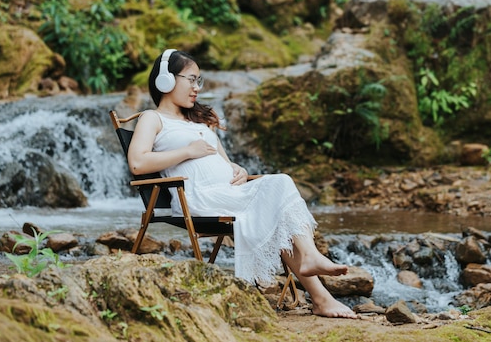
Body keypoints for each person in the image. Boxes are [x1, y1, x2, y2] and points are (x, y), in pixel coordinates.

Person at [127, 49, 357, 319]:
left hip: (228, 192)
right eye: (191, 79)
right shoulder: (152, 118)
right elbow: (137, 164)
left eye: (199, 81)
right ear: (166, 81)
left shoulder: (201, 121)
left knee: (279, 191)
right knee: (278, 191)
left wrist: (239, 170)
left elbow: (225, 162)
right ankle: (317, 284)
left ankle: (318, 289)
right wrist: (187, 151)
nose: (196, 88)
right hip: (198, 198)